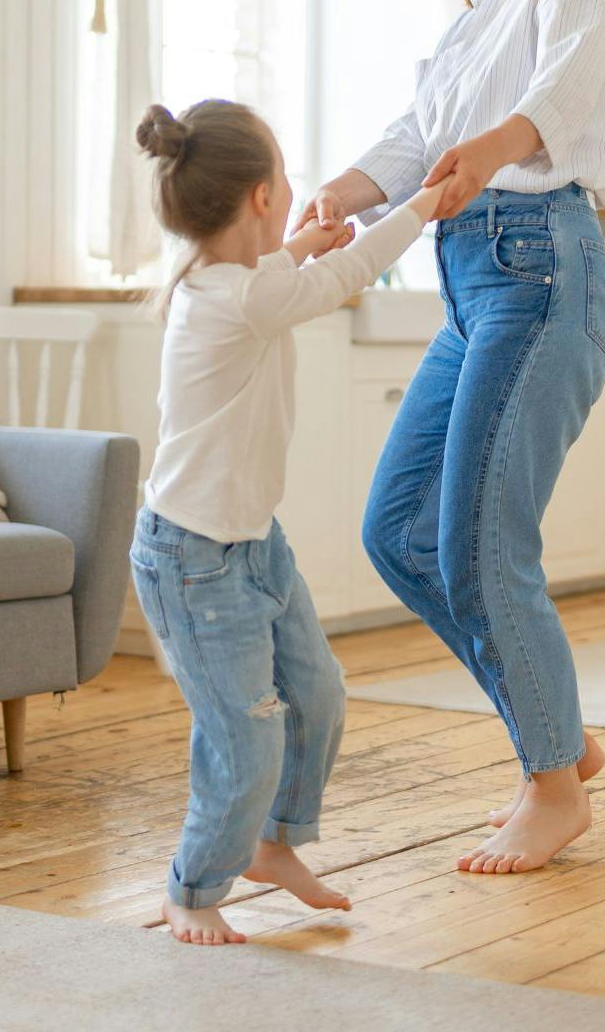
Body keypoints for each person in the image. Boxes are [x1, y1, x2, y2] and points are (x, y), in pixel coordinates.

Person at [295, 0, 605, 874]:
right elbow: (418, 132)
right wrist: (341, 192)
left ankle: (551, 786)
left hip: (540, 269)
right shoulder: (483, 5)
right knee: (399, 530)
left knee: (484, 541)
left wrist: (487, 152)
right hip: (470, 284)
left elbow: (565, 94)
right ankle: (558, 732)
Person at [131, 98, 444, 944]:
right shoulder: (231, 299)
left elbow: (282, 276)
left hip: (252, 544)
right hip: (191, 559)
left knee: (317, 697)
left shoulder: (231, 285)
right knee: (246, 736)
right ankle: (191, 887)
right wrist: (420, 205)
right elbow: (341, 277)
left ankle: (273, 846)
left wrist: (304, 243)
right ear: (263, 196)